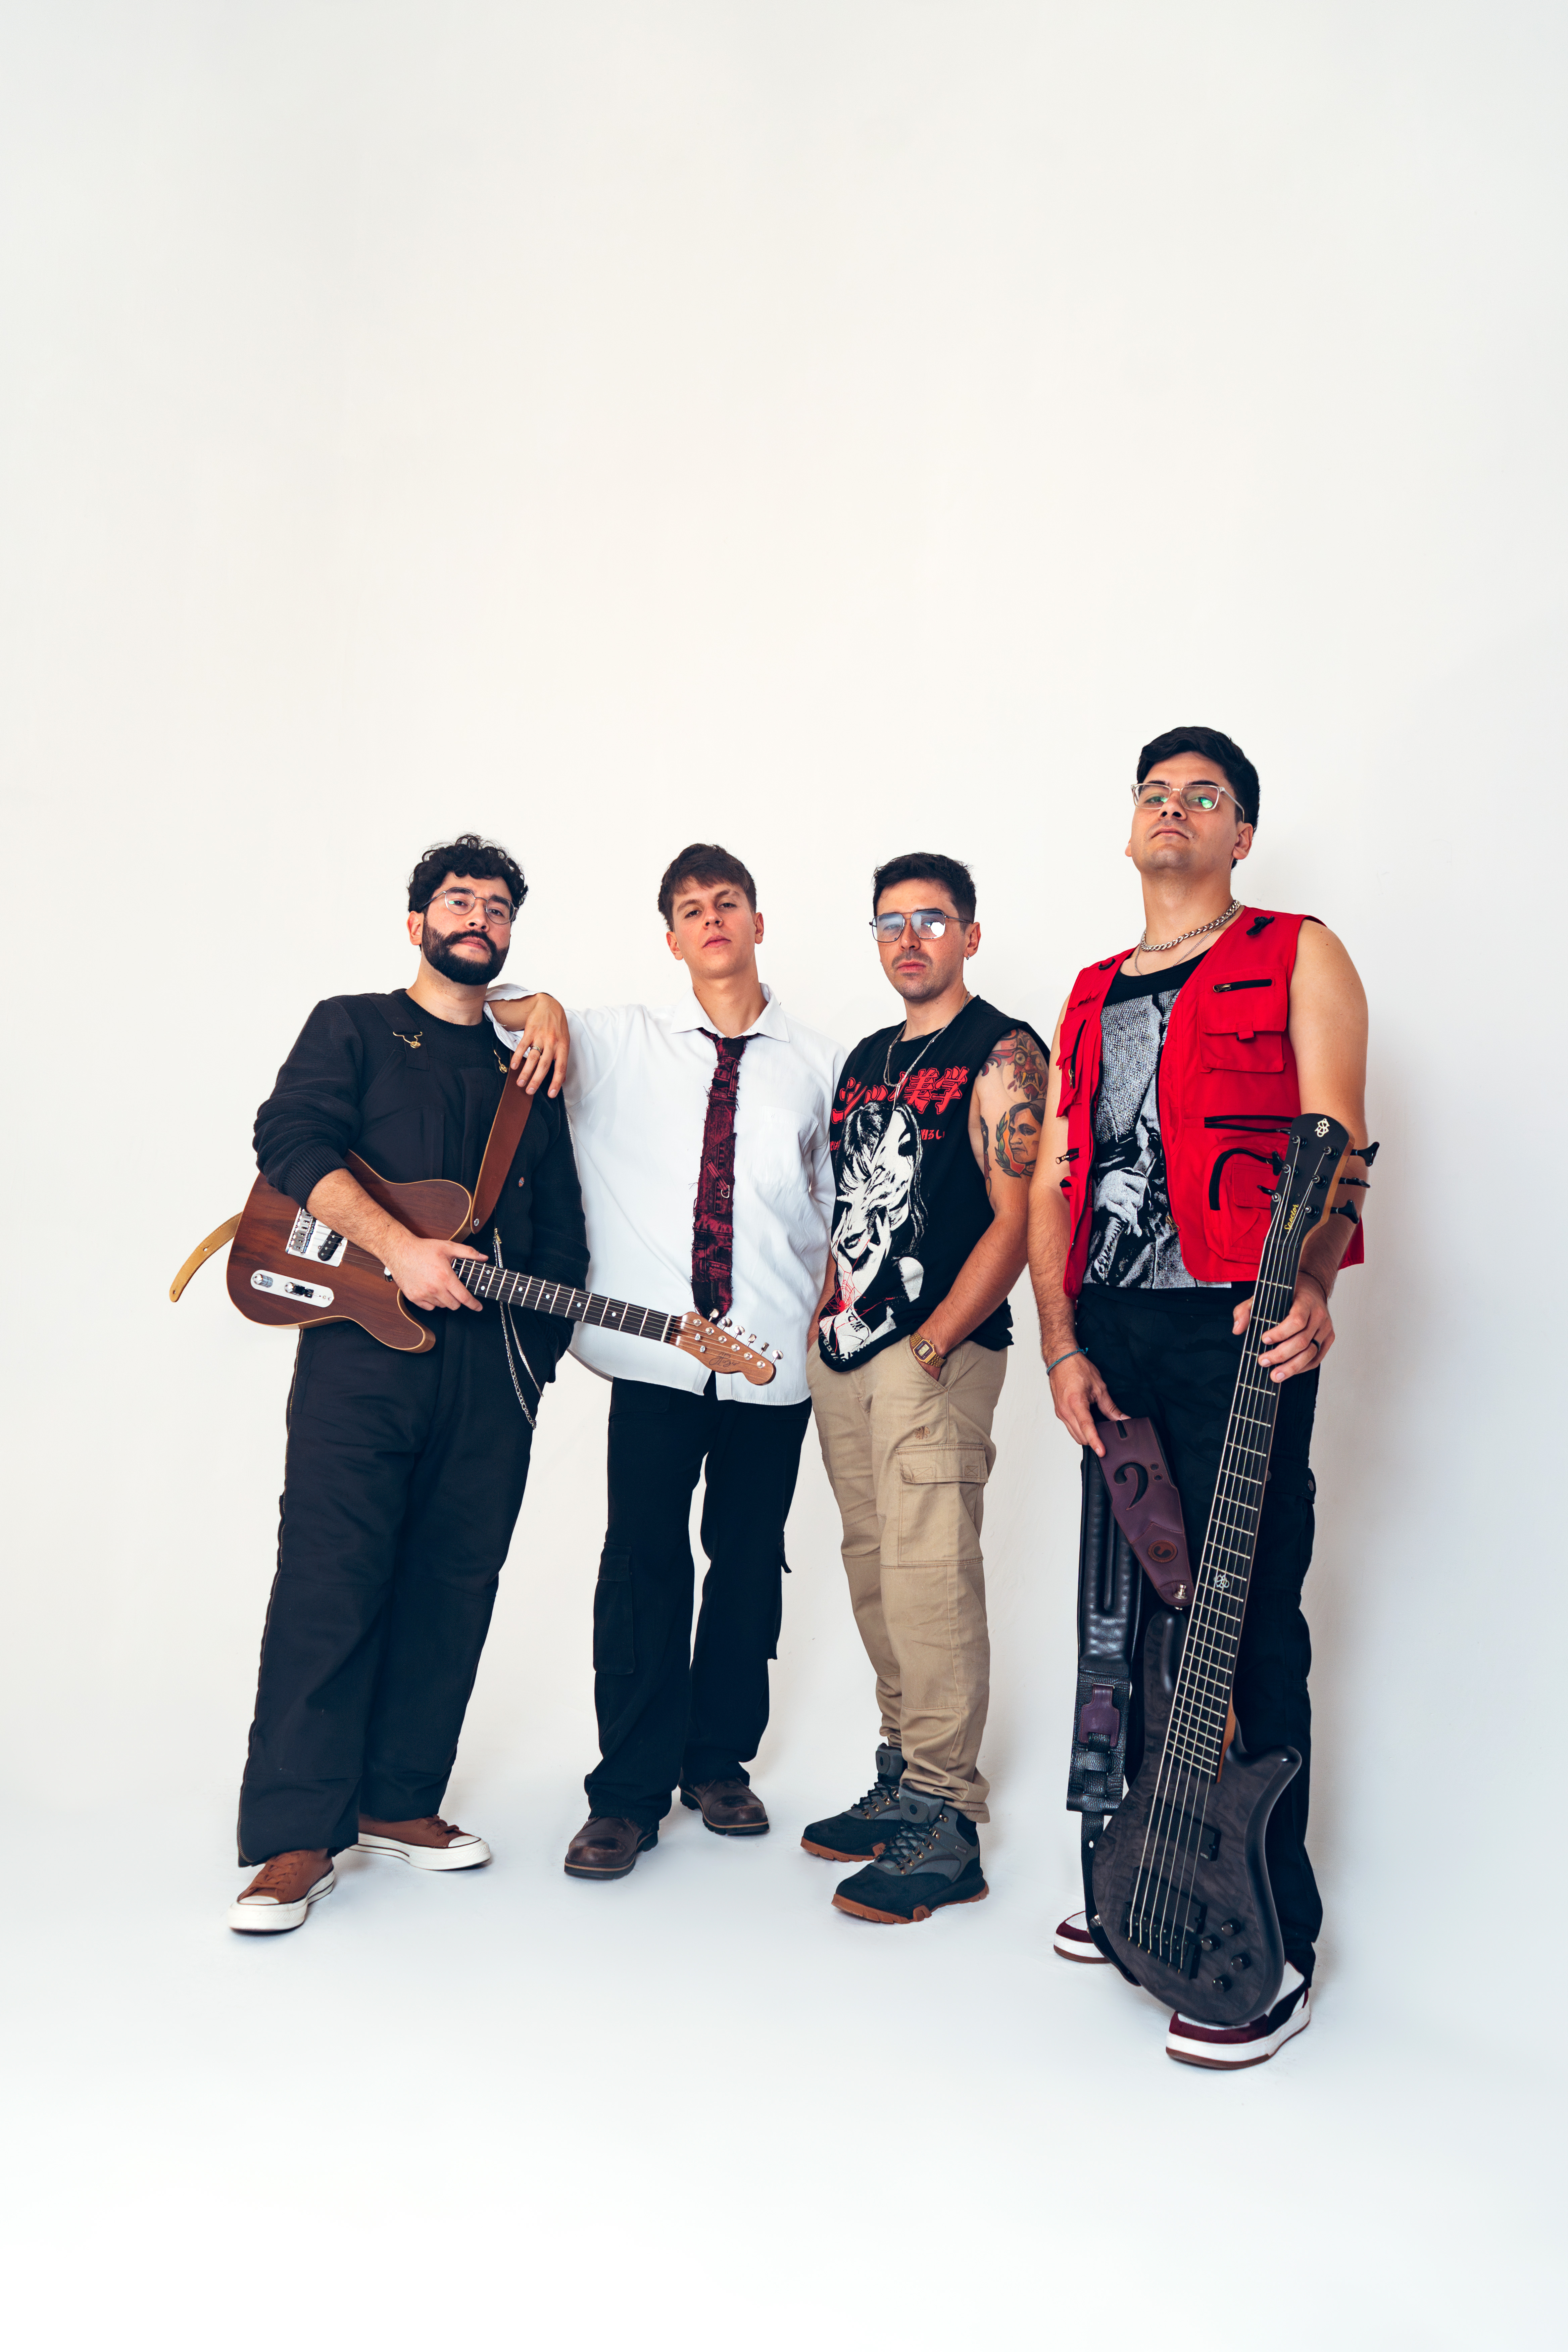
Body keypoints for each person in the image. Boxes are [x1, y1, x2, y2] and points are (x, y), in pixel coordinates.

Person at [1028, 725, 1371, 2067]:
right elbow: (1057, 1175)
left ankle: (1272, 1937)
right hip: (1110, 1331)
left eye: (1205, 796)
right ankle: (1137, 1875)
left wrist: (1312, 1281)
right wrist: (1060, 1342)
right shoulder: (1088, 990)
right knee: (1123, 1621)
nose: (1174, 809)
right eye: (1155, 794)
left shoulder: (1298, 950)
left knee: (1244, 1614)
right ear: (1132, 828)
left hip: (1235, 1318)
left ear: (1241, 835)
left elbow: (1336, 1136)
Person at [227, 835, 586, 1933]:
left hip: (491, 1371)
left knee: (454, 1584)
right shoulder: (351, 1026)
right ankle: (296, 1837)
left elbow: (562, 1233)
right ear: (417, 921)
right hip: (360, 1358)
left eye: (497, 906)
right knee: (329, 1579)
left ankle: (397, 1802)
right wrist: (399, 1250)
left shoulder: (529, 1070)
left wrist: (531, 1364)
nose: (478, 917)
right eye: (458, 900)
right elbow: (288, 1138)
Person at [488, 845, 841, 1880]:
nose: (712, 919)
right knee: (642, 1564)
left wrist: (824, 1322)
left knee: (748, 1560)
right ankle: (627, 1796)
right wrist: (547, 1007)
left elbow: (838, 1210)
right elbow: (493, 1010)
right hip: (654, 1358)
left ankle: (718, 1764)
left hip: (775, 1360)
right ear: (673, 939)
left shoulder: (823, 1064)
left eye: (728, 903)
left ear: (758, 923)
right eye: (691, 909)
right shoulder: (616, 1042)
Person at [801, 852, 1047, 1925]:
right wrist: (826, 1315)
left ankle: (947, 1818)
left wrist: (938, 1340)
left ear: (970, 936)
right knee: (874, 1568)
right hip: (849, 1350)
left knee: (929, 1573)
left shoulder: (1003, 1051)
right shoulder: (867, 1058)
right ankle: (904, 1773)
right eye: (891, 923)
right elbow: (850, 1205)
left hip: (933, 1354)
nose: (910, 940)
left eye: (932, 921)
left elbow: (1019, 1217)